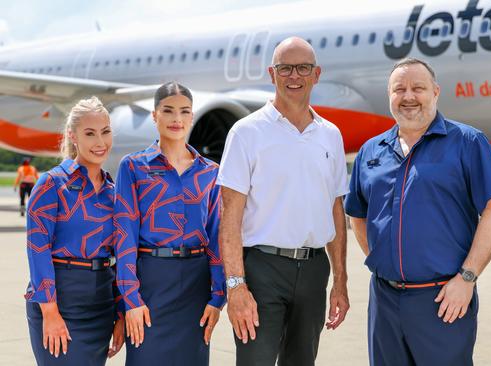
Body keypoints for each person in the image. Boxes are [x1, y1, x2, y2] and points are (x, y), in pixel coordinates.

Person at [345, 57, 491, 366]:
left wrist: (468, 277)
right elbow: (358, 213)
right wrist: (380, 258)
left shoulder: (467, 142)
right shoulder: (370, 151)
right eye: (399, 89)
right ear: (389, 96)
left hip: (443, 300)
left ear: (435, 91)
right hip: (384, 300)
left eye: (418, 88)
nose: (408, 96)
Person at [217, 37, 349, 366]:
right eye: (285, 68)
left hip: (314, 269)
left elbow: (335, 210)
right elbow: (229, 217)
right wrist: (235, 287)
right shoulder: (246, 133)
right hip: (262, 270)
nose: (294, 76)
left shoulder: (330, 134)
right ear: (271, 74)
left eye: (303, 68)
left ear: (316, 74)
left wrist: (341, 282)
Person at [113, 82, 225, 366]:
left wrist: (217, 297)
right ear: (154, 116)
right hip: (150, 283)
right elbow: (124, 236)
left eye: (184, 112)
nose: (177, 119)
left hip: (196, 287)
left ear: (191, 116)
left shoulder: (210, 173)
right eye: (168, 111)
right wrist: (131, 299)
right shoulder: (133, 166)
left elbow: (216, 238)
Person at [25, 96, 124, 365]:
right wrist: (50, 313)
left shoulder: (113, 193)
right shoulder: (51, 185)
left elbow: (117, 259)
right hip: (59, 303)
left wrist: (121, 313)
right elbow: (37, 250)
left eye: (105, 132)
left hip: (100, 307)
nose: (100, 142)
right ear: (73, 136)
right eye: (90, 133)